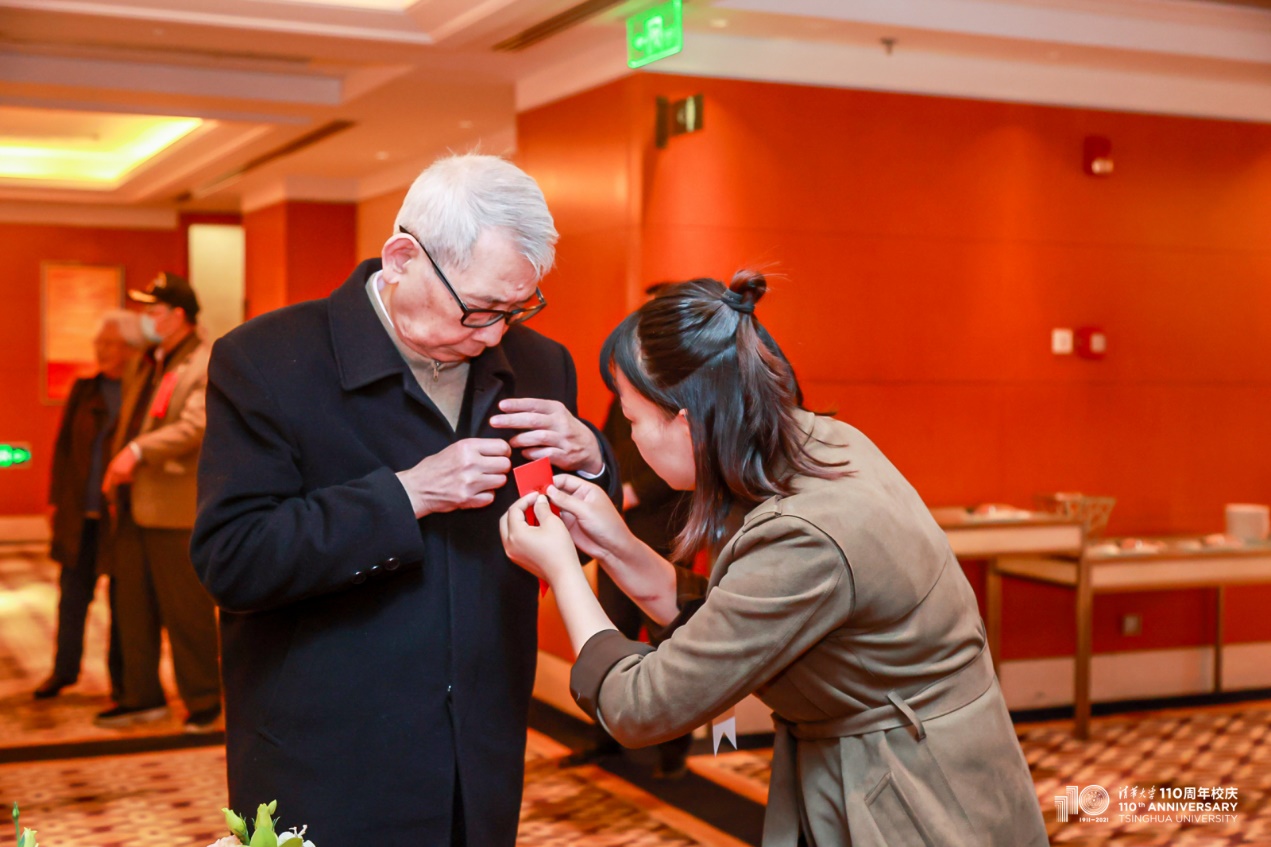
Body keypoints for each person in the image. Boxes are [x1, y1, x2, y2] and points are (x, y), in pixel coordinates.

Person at [500, 273, 1050, 846]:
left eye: (633, 421)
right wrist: (614, 543)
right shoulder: (818, 441)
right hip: (889, 757)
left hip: (913, 789)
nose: (631, 440)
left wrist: (564, 571)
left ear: (688, 423)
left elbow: (642, 705)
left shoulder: (805, 533)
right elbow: (732, 618)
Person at [190, 154, 619, 847]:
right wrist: (406, 494)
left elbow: (572, 530)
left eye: (516, 309)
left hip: (480, 747)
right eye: (478, 309)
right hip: (327, 753)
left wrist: (592, 457)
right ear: (401, 260)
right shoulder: (267, 360)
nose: (495, 335)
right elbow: (233, 559)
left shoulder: (541, 363)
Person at [97, 272, 222, 732]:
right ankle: (140, 696)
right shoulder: (152, 361)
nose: (146, 319)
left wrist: (137, 451)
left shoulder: (204, 362)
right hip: (134, 502)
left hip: (175, 509)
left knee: (185, 611)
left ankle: (204, 700)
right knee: (131, 607)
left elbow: (195, 426)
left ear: (179, 315)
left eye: (154, 311)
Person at [557, 392, 693, 777]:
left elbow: (686, 463)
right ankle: (607, 739)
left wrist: (629, 493)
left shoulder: (679, 397)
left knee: (672, 645)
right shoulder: (623, 398)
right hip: (613, 528)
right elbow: (603, 450)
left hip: (663, 536)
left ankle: (673, 751)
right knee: (610, 633)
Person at [38, 311, 143, 700]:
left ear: (131, 348)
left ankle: (121, 680)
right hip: (79, 511)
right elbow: (64, 448)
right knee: (72, 596)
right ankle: (63, 671)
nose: (100, 350)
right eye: (99, 343)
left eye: (109, 343)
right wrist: (55, 501)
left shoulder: (139, 391)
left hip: (120, 515)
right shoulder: (85, 389)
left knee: (121, 601)